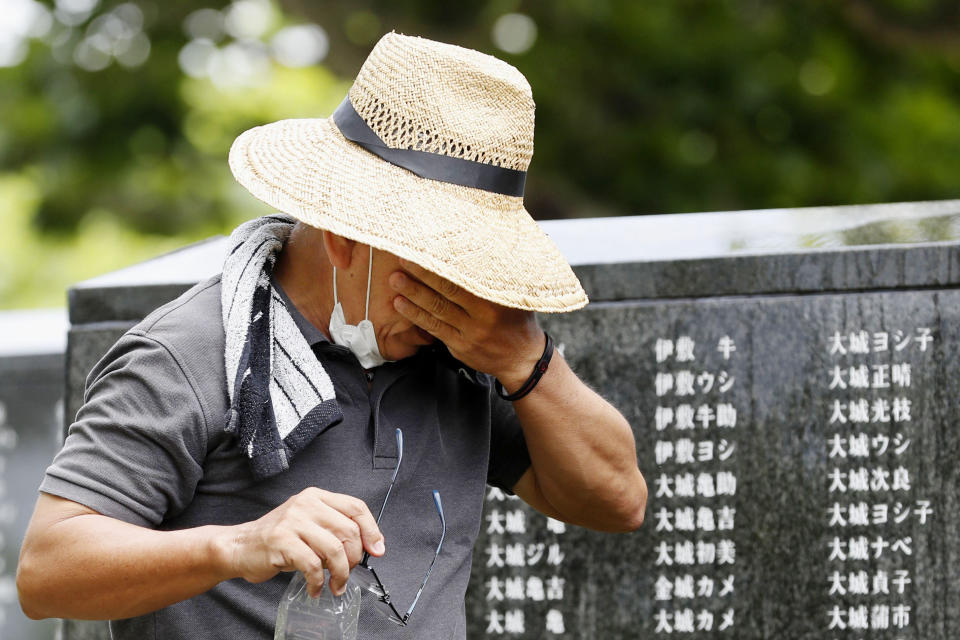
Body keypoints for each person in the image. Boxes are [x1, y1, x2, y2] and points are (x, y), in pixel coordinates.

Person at [17, 32, 646, 639]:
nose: (459, 297)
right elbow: (48, 572)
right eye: (437, 268)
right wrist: (238, 545)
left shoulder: (466, 349)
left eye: (473, 268)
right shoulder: (188, 354)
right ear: (347, 234)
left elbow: (618, 502)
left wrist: (526, 362)